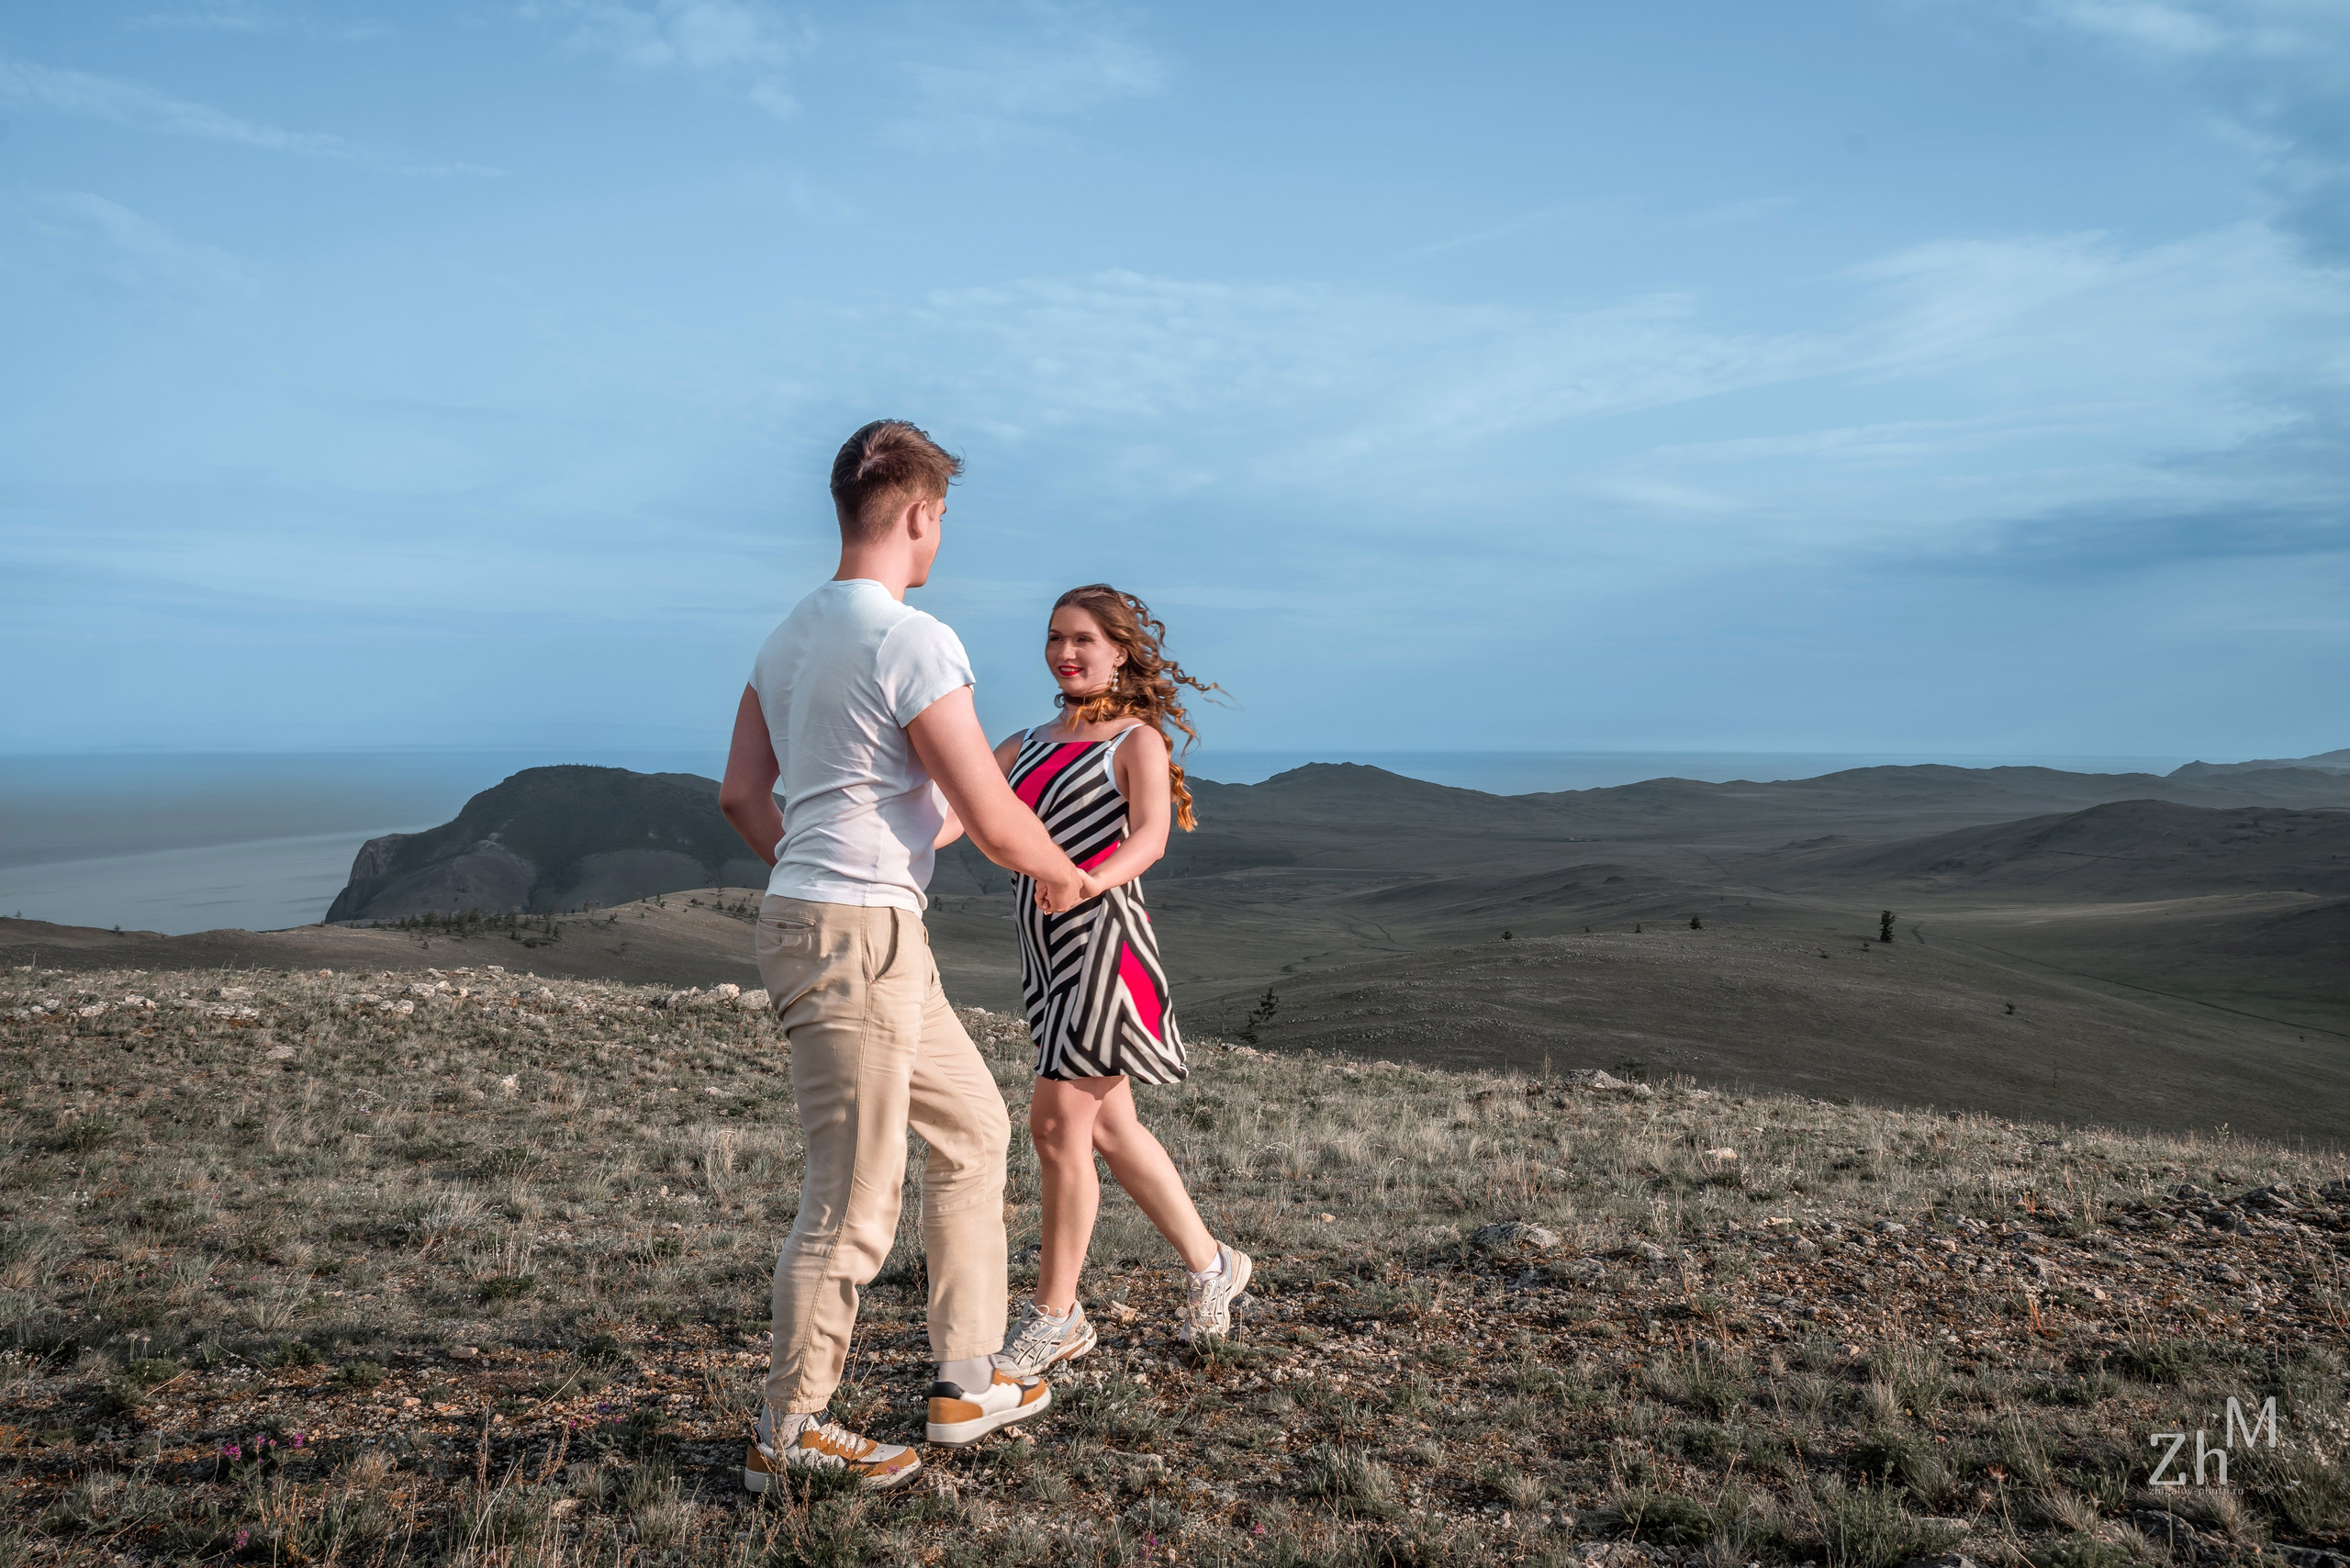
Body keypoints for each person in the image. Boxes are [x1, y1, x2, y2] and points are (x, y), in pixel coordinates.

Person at [720, 420, 1095, 1493]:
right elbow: (986, 812)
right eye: (942, 523)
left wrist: (823, 868)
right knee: (849, 1199)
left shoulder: (785, 638)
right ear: (922, 515)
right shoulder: (913, 639)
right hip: (860, 940)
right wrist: (1067, 877)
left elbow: (745, 796)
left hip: (845, 925)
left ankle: (966, 1379)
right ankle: (789, 1430)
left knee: (974, 1126)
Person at [973, 585, 1253, 1380]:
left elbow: (1153, 839)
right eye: (1057, 638)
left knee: (1059, 1125)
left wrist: (1084, 883)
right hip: (1047, 948)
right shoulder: (1023, 742)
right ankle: (1213, 1266)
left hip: (1105, 943)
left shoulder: (1134, 741)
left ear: (1120, 650)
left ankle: (1055, 1316)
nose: (1067, 652)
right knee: (1110, 1128)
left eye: (1085, 640)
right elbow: (963, 810)